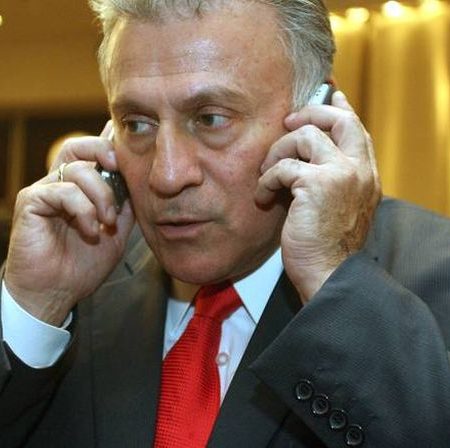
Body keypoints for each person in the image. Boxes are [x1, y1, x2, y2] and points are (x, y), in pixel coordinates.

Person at [1, 0, 450, 446]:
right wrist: (32, 307)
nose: (166, 175)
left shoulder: (432, 278)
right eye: (137, 124)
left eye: (211, 119)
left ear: (318, 112)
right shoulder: (76, 283)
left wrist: (331, 279)